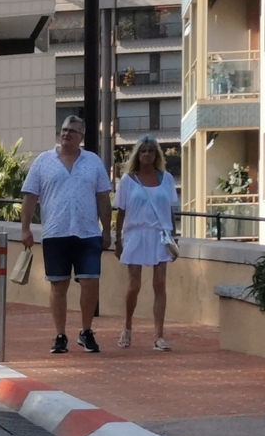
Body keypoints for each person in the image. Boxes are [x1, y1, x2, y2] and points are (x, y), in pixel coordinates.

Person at [19, 116, 113, 354]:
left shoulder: (92, 162)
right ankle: (60, 334)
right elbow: (29, 196)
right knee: (58, 285)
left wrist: (107, 230)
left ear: (81, 137)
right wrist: (25, 228)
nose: (66, 134)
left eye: (72, 131)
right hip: (55, 232)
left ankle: (86, 331)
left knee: (90, 282)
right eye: (63, 130)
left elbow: (103, 198)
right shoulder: (43, 161)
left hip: (87, 233)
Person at [112, 137, 178, 351]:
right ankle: (127, 326)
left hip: (160, 235)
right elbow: (120, 212)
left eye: (151, 151)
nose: (147, 155)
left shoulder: (166, 179)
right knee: (134, 285)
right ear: (138, 155)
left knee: (160, 283)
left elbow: (169, 209)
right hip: (135, 235)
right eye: (143, 151)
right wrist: (118, 239)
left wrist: (173, 237)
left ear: (156, 155)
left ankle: (159, 335)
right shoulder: (128, 180)